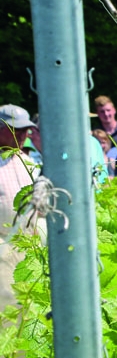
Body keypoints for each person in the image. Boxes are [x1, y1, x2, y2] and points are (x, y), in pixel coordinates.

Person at [0, 105, 39, 309]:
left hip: (29, 244)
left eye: (26, 129)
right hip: (2, 246)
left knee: (31, 304)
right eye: (18, 129)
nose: (24, 134)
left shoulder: (28, 162)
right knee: (7, 305)